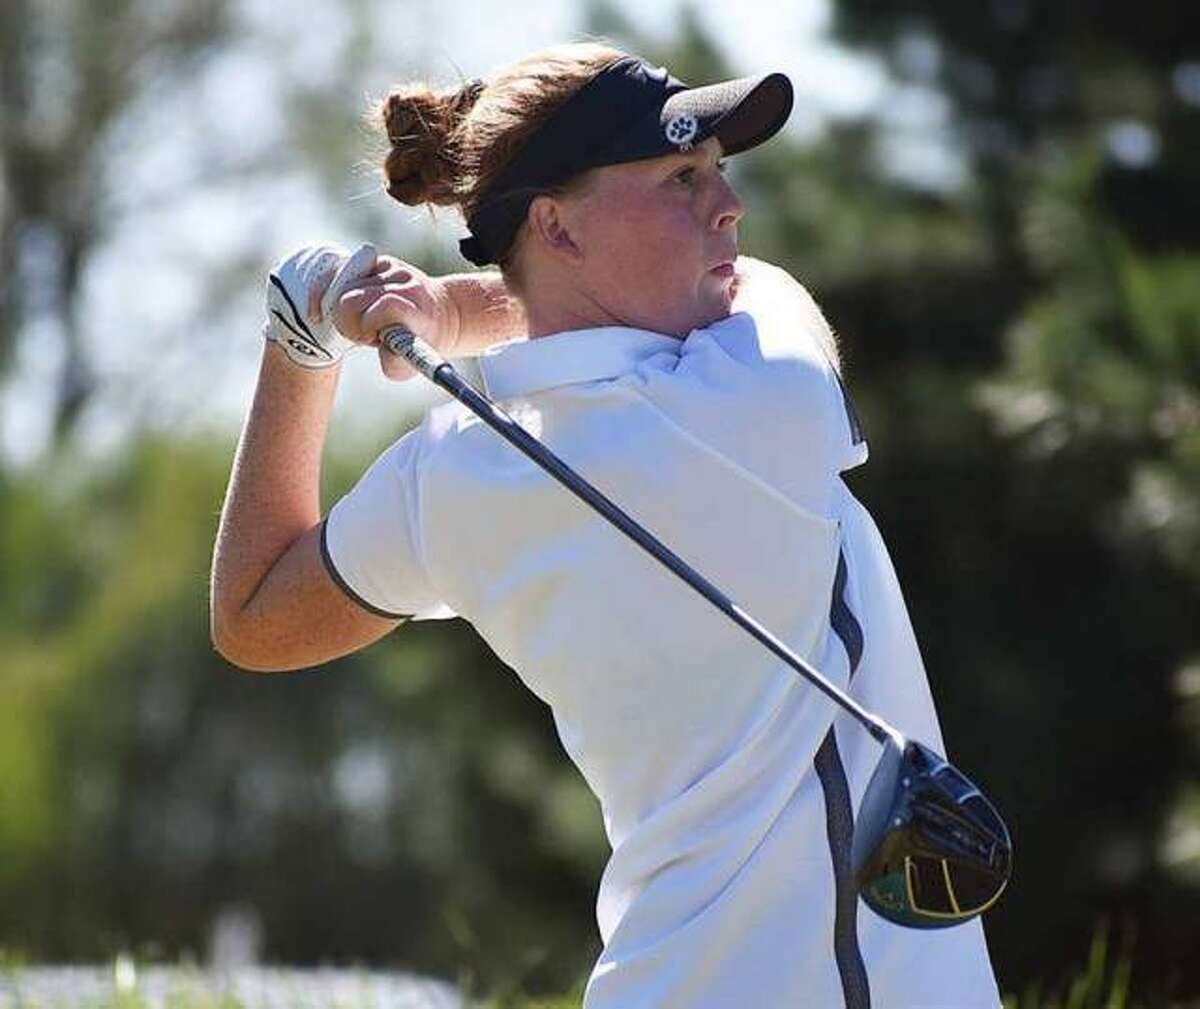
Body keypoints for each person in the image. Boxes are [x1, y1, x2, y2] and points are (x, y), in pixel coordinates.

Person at [210, 41, 1004, 1008]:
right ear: (558, 226)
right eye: (680, 177)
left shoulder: (454, 466)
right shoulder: (763, 392)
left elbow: (253, 612)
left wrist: (301, 344)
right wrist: (458, 312)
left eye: (717, 171)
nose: (727, 206)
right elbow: (769, 283)